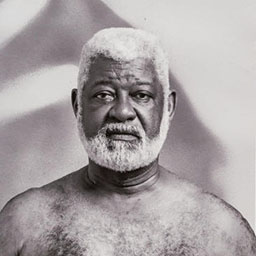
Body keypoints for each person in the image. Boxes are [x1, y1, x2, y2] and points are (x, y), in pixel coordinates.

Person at [0, 28, 255, 256]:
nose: (122, 112)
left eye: (141, 95)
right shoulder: (24, 223)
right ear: (78, 105)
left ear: (169, 106)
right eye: (104, 95)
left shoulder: (222, 232)